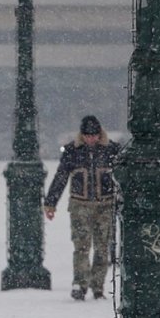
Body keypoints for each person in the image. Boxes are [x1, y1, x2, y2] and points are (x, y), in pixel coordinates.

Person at [43, 115, 121, 301]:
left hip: (105, 205)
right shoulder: (72, 151)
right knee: (82, 246)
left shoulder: (112, 151)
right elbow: (61, 178)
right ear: (82, 135)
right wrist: (51, 202)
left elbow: (122, 178)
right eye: (87, 136)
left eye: (93, 135)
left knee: (102, 248)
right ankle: (80, 283)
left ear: (99, 134)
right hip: (80, 206)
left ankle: (97, 286)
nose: (90, 139)